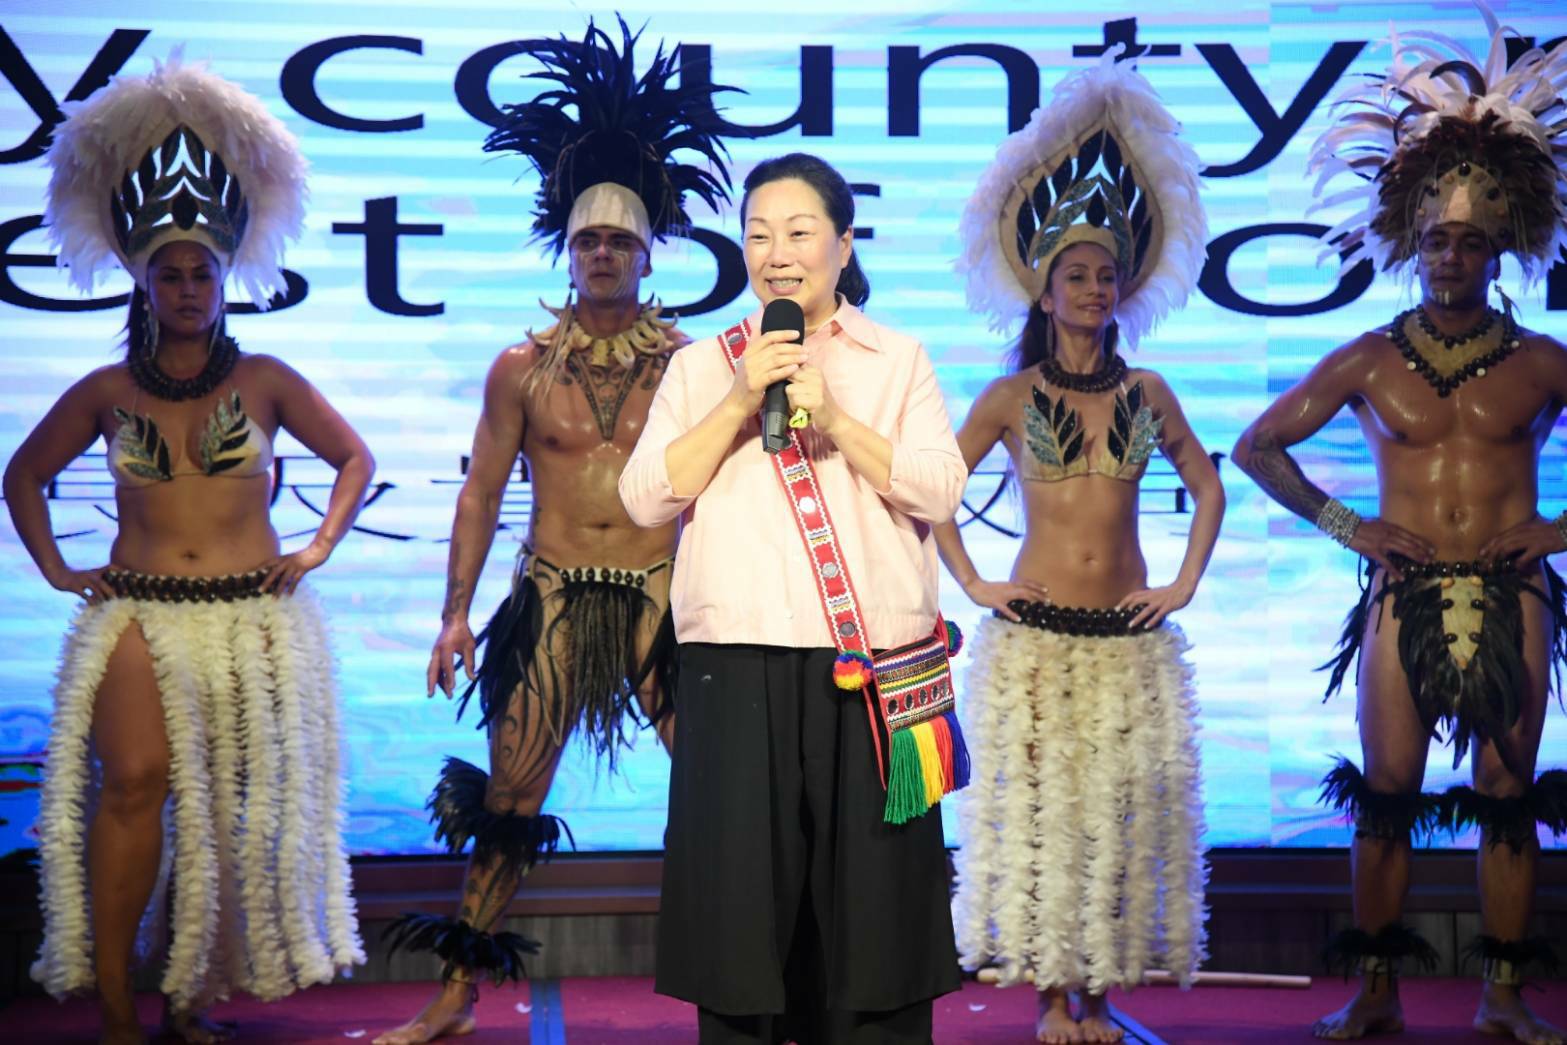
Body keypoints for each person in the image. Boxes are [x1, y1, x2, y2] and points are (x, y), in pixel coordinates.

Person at [372, 19, 733, 1045]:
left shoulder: (693, 364)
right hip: (552, 593)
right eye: (588, 241)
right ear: (565, 250)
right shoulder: (519, 368)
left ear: (648, 250)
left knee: (717, 790)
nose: (603, 254)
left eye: (620, 240)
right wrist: (454, 616)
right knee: (510, 798)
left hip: (661, 595)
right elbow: (481, 495)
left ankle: (747, 984)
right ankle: (455, 995)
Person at [3, 57, 371, 1044]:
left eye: (201, 271)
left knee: (222, 812)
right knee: (133, 783)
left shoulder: (266, 378)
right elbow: (21, 476)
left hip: (254, 613)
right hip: (140, 611)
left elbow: (354, 458)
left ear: (223, 276)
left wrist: (318, 545)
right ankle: (117, 1006)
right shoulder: (105, 392)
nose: (187, 288)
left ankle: (188, 999)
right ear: (142, 279)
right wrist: (56, 568)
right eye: (168, 273)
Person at [1231, 13, 1567, 1043]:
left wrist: (1556, 531)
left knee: (1505, 793)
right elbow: (1256, 446)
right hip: (1401, 592)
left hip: (1512, 589)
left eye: (1468, 243)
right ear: (1411, 247)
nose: (1449, 257)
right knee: (1386, 792)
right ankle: (1375, 990)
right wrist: (1350, 525)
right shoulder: (1369, 359)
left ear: (1497, 251)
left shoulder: (1543, 361)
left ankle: (1501, 994)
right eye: (1434, 241)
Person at [620, 151, 967, 1043]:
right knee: (741, 918)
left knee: (877, 918)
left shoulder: (897, 359)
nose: (777, 253)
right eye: (758, 235)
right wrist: (740, 400)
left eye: (799, 232)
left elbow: (939, 489)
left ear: (843, 245)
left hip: (871, 673)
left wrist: (838, 420)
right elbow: (644, 497)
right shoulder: (702, 366)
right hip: (735, 668)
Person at [941, 56, 1222, 1044]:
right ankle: (1052, 999)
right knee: (1046, 820)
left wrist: (1182, 582)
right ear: (1043, 288)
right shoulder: (1011, 397)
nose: (1093, 288)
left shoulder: (1147, 392)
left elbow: (1208, 485)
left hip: (1128, 639)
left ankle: (1099, 996)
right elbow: (932, 489)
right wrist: (972, 579)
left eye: (1105, 275)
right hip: (1036, 639)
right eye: (1075, 274)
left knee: (1117, 818)